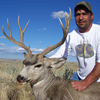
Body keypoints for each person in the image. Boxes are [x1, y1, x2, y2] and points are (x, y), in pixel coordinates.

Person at [50, 1, 100, 91]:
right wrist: (40, 61)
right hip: (80, 76)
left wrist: (85, 83)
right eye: (77, 14)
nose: (81, 18)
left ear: (91, 16)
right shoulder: (71, 36)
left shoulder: (98, 32)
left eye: (84, 14)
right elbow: (59, 56)